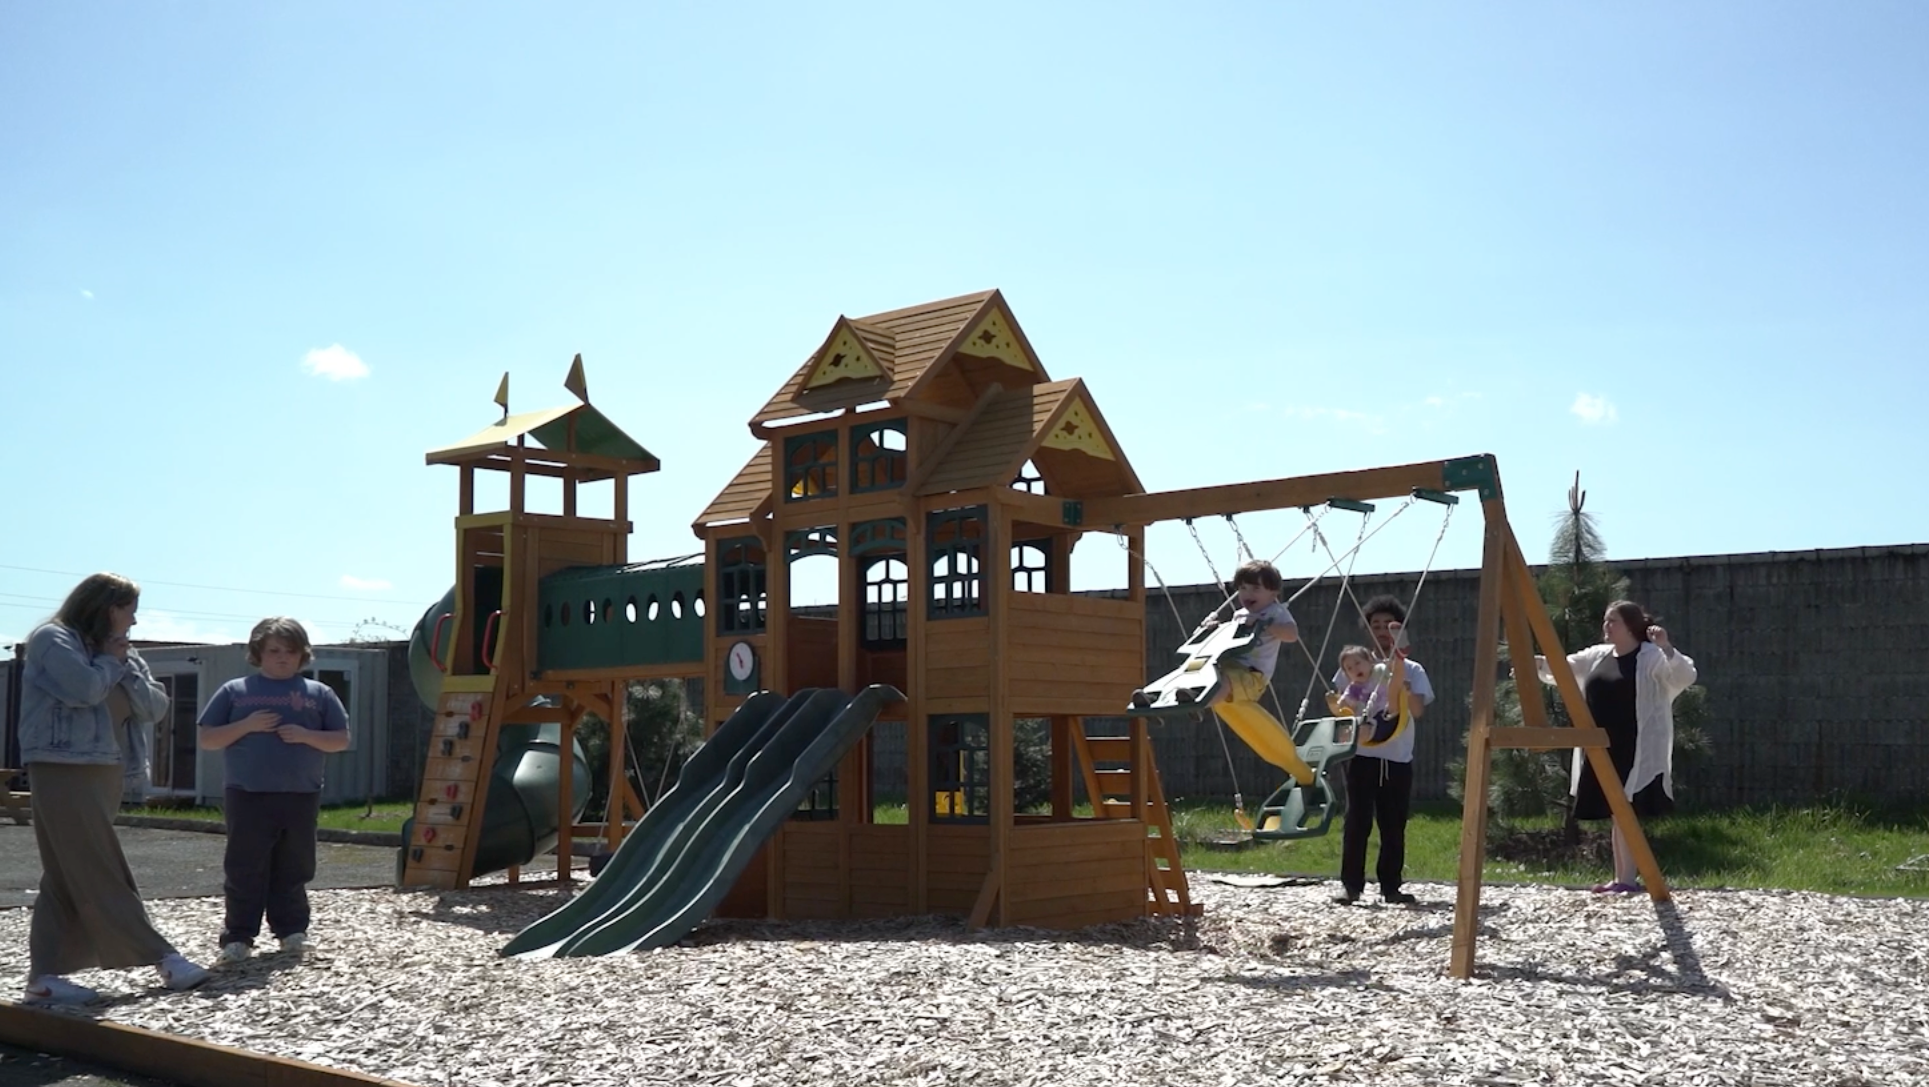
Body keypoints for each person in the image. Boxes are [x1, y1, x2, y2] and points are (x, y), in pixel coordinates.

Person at [17, 573, 211, 1004]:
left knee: (68, 870)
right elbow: (83, 690)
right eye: (130, 612)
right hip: (63, 766)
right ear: (108, 607)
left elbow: (155, 707)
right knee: (98, 864)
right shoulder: (53, 639)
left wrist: (123, 665)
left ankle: (44, 978)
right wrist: (109, 662)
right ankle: (163, 956)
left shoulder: (123, 650)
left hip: (108, 768)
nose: (134, 623)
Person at [197, 617, 350, 963]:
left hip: (301, 793)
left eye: (290, 651)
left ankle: (292, 931)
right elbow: (208, 738)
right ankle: (238, 936)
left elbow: (341, 739)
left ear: (303, 654)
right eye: (274, 651)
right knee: (245, 866)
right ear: (258, 653)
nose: (283, 658)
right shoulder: (235, 691)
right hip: (247, 793)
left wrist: (306, 735)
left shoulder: (319, 693)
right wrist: (247, 725)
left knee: (294, 865)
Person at [1537, 600, 1696, 894]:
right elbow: (1564, 667)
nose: (1607, 626)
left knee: (1626, 809)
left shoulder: (1650, 656)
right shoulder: (1598, 655)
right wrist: (1535, 663)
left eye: (1613, 621)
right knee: (1617, 811)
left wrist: (1666, 647)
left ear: (1630, 626)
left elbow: (1683, 676)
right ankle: (1622, 878)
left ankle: (1628, 878)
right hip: (1600, 746)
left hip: (1635, 745)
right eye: (1606, 620)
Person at [1333, 595, 1434, 906]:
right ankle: (1351, 886)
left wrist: (1402, 688)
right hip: (1361, 756)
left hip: (1397, 757)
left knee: (1393, 823)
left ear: (1400, 630)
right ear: (1368, 630)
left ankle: (1391, 887)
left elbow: (1417, 710)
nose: (1382, 631)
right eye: (1375, 625)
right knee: (1356, 821)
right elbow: (1342, 707)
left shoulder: (1412, 669)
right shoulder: (1352, 665)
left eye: (1389, 626)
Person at [1198, 559, 1300, 708]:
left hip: (1253, 676)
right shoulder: (1239, 615)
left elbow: (1292, 635)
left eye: (1255, 589)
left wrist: (1265, 625)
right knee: (1205, 672)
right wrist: (1216, 629)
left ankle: (1200, 704)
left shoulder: (1276, 612)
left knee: (1224, 682)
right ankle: (1189, 697)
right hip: (1231, 666)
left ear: (1273, 593)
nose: (1248, 594)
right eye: (1243, 588)